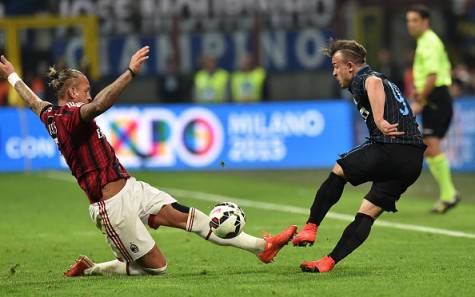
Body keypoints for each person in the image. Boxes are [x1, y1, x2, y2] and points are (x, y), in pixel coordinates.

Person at [0, 46, 296, 277]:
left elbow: (33, 101)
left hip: (132, 189)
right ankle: (93, 268)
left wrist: (13, 76)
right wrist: (130, 71)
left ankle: (262, 247)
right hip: (112, 207)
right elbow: (101, 104)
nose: (90, 95)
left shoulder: (49, 113)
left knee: (191, 218)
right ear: (73, 93)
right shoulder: (69, 118)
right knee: (157, 268)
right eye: (86, 90)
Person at [293, 40, 426, 273]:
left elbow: (373, 84)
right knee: (367, 213)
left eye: (336, 66)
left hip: (390, 147)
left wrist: (379, 120)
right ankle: (328, 262)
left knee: (338, 171)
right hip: (412, 160)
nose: (334, 73)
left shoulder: (364, 78)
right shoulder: (381, 79)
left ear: (351, 66)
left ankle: (310, 226)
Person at [406, 5, 460, 213]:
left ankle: (449, 194)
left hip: (436, 96)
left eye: (414, 20)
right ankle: (448, 194)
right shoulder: (426, 42)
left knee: (432, 144)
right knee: (430, 146)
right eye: (409, 20)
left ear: (425, 21)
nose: (410, 24)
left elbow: (432, 76)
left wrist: (420, 99)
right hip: (434, 97)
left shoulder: (428, 43)